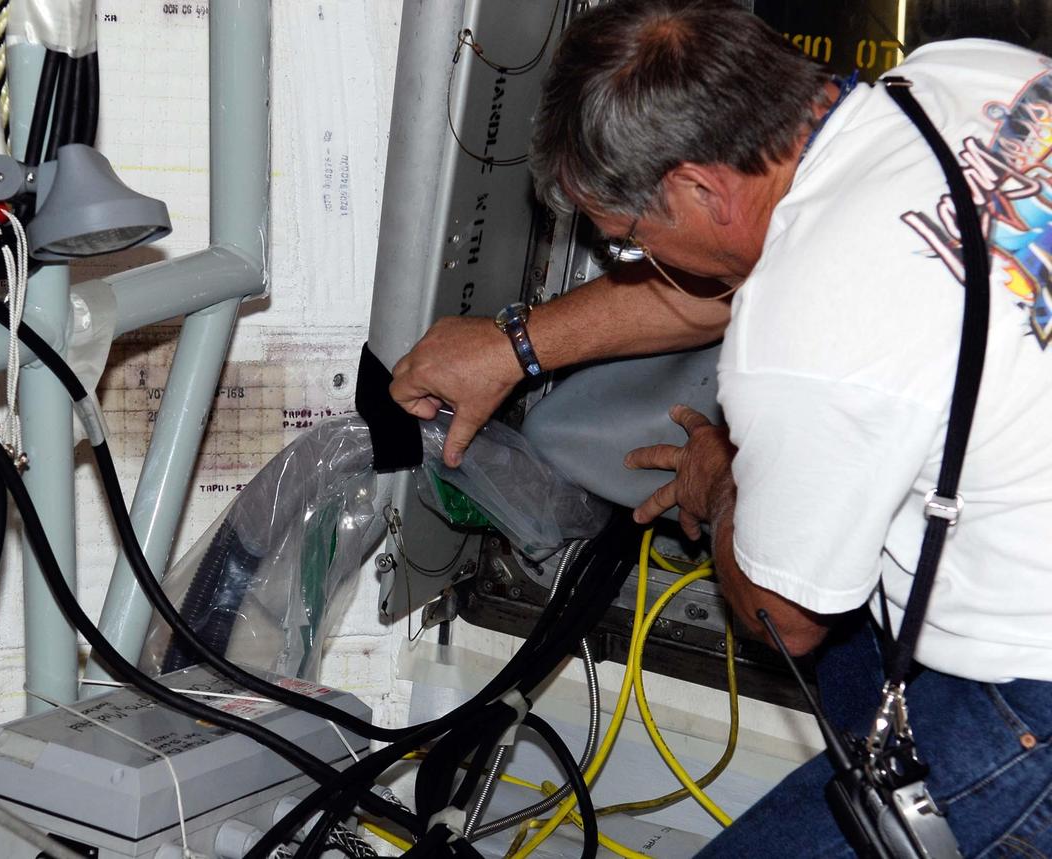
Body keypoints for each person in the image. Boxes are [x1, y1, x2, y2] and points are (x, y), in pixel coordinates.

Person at [390, 0, 1052, 855]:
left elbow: (785, 610)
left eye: (631, 239)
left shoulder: (803, 330)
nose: (641, 260)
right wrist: (513, 349)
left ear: (701, 188)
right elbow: (731, 273)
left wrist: (721, 479)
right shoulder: (969, 78)